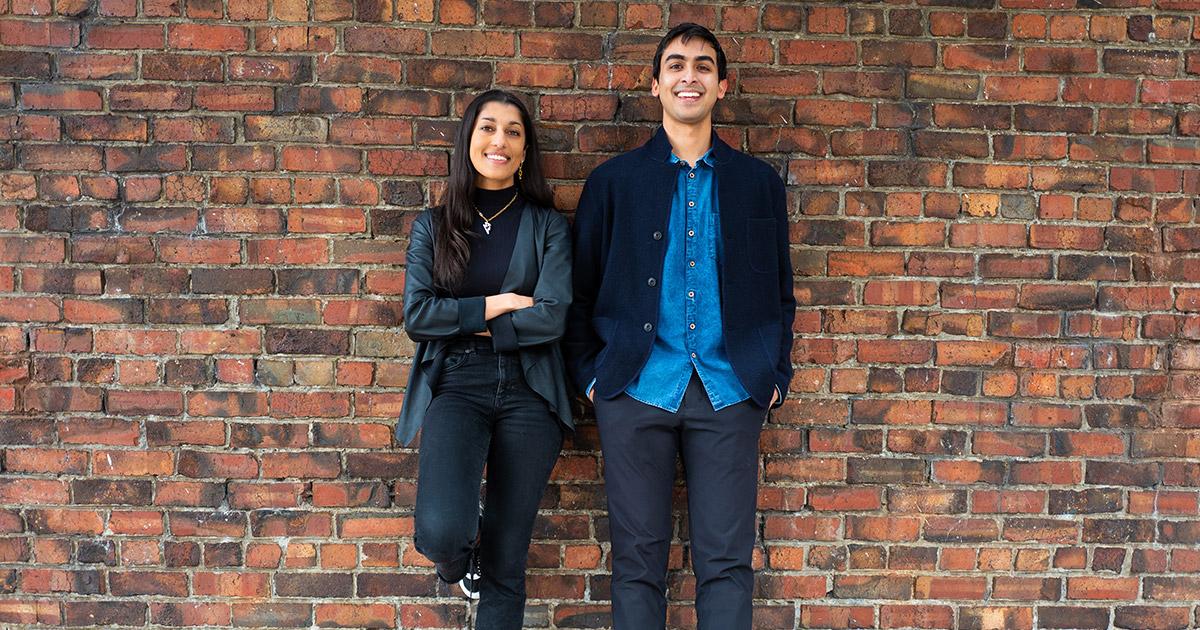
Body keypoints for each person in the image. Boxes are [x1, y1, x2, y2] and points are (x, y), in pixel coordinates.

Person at [564, 23, 796, 630]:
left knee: (725, 563)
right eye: (675, 65)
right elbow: (579, 289)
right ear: (656, 84)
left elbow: (779, 290)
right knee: (637, 563)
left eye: (701, 66)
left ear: (722, 85)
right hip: (635, 388)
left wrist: (774, 375)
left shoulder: (757, 185)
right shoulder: (614, 182)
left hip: (730, 387)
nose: (687, 76)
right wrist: (591, 377)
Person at [398, 89, 573, 630]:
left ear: (526, 152)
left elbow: (551, 318)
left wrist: (463, 315)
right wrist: (496, 304)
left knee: (506, 561)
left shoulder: (547, 226)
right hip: (458, 382)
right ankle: (459, 558)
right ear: (468, 139)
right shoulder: (434, 225)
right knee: (441, 530)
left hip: (531, 388)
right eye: (489, 128)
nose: (500, 141)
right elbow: (417, 317)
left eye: (514, 133)